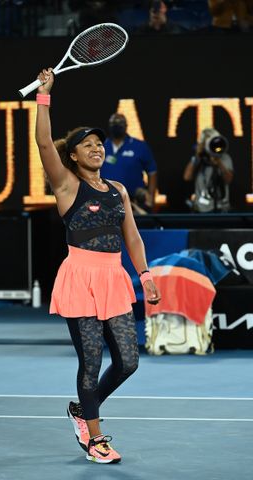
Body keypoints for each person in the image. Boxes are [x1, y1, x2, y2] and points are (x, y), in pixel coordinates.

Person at [35, 67, 161, 464]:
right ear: (72, 155)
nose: (96, 149)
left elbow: (133, 238)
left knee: (128, 361)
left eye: (98, 144)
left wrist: (145, 274)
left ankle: (81, 409)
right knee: (91, 362)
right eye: (86, 145)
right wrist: (44, 95)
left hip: (113, 277)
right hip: (80, 277)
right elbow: (42, 142)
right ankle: (95, 438)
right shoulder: (67, 185)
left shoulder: (119, 190)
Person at [100, 113, 158, 214]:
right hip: (104, 201)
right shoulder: (101, 146)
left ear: (126, 126)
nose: (116, 125)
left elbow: (152, 172)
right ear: (109, 125)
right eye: (114, 122)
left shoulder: (139, 146)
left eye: (120, 123)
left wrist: (151, 198)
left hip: (133, 201)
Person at [183, 127, 234, 213]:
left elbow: (228, 180)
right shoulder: (199, 158)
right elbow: (187, 177)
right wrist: (197, 156)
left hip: (222, 209)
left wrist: (219, 163)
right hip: (201, 210)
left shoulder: (225, 158)